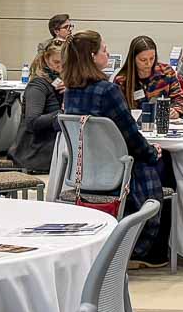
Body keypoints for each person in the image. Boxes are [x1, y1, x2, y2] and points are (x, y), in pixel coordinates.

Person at [62, 30, 167, 265]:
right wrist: (152, 153)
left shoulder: (70, 91)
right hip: (118, 174)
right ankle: (150, 248)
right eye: (104, 49)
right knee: (164, 166)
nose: (108, 53)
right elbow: (130, 135)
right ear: (92, 56)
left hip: (85, 172)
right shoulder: (107, 90)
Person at [11, 38, 67, 174]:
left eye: (64, 63)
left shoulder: (64, 83)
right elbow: (33, 122)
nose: (60, 67)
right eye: (56, 62)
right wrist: (63, 113)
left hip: (54, 148)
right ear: (46, 60)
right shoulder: (38, 86)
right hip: (37, 153)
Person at [117, 34, 183, 119]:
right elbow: (118, 110)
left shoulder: (167, 72)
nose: (148, 63)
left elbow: (179, 98)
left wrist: (176, 111)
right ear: (133, 59)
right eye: (143, 60)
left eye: (152, 58)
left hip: (163, 122)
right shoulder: (122, 80)